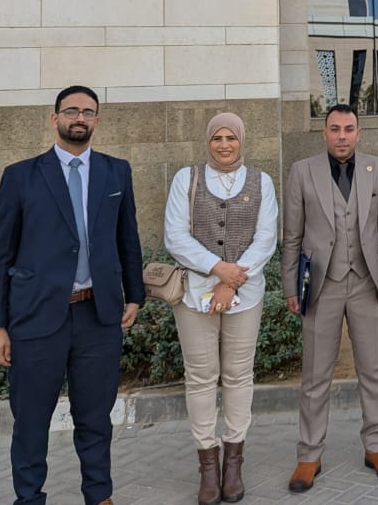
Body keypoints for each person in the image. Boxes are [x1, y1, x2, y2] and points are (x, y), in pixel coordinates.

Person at [0, 85, 144, 505]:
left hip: (98, 316)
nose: (79, 118)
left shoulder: (116, 172)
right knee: (31, 421)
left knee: (95, 417)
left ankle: (99, 495)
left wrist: (135, 295)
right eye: (71, 111)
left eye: (88, 112)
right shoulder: (21, 176)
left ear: (97, 120)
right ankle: (29, 498)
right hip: (36, 318)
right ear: (54, 118)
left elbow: (127, 238)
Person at [280, 104, 378, 493]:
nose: (342, 136)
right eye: (335, 129)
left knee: (372, 370)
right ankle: (309, 454)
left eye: (349, 129)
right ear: (325, 133)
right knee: (316, 376)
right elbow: (292, 236)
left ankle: (376, 445)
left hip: (367, 283)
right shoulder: (302, 171)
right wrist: (290, 287)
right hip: (322, 286)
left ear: (359, 132)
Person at [163, 113, 278, 505]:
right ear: (208, 142)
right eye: (217, 138)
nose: (225, 144)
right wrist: (217, 269)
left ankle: (233, 463)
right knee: (200, 377)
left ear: (241, 140)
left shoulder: (262, 181)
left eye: (231, 137)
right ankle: (208, 466)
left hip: (245, 293)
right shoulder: (187, 178)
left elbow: (266, 238)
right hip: (194, 294)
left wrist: (231, 281)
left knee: (238, 376)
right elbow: (175, 236)